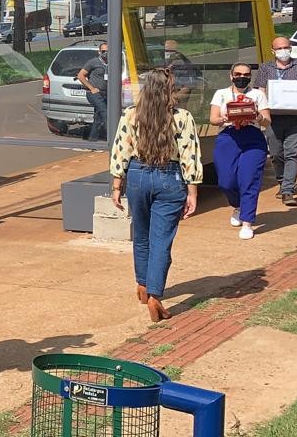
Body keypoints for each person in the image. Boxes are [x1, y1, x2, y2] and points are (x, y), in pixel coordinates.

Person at [109, 67, 201, 322]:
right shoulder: (182, 117)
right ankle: (155, 295)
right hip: (169, 177)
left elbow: (120, 151)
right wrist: (192, 191)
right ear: (169, 90)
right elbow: (189, 156)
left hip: (138, 174)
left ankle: (142, 285)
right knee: (161, 240)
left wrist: (117, 186)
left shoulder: (130, 115)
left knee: (141, 235)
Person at [209, 63, 270, 240]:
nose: (241, 77)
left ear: (251, 76)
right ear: (231, 75)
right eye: (238, 74)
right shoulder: (221, 94)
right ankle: (238, 205)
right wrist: (224, 118)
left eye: (246, 74)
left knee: (249, 179)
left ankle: (247, 222)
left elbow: (267, 121)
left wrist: (257, 115)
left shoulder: (258, 94)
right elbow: (213, 119)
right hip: (228, 136)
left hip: (252, 137)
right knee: (226, 181)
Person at [253, 36, 297, 207]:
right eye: (279, 48)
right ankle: (282, 181)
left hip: (295, 117)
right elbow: (260, 90)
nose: (283, 51)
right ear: (273, 51)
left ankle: (288, 190)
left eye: (286, 47)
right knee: (277, 153)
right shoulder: (266, 68)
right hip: (272, 117)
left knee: (293, 153)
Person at [78, 42, 110, 141]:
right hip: (94, 94)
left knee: (98, 119)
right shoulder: (93, 62)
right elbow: (80, 76)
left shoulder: (112, 63)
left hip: (106, 93)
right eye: (104, 51)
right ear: (99, 52)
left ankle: (92, 141)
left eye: (108, 51)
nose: (106, 53)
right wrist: (91, 88)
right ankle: (112, 140)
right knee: (105, 114)